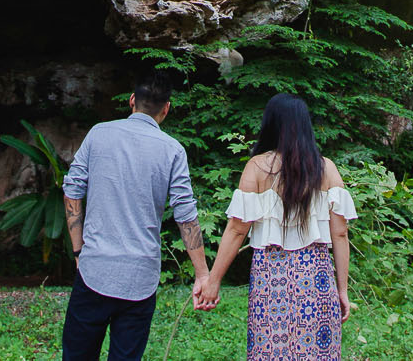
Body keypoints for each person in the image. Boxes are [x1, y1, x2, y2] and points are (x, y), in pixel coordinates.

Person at [60, 71, 210, 361]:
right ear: (166, 109)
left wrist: (79, 251)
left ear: (132, 101)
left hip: (94, 270)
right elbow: (186, 214)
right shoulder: (172, 150)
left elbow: (72, 191)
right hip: (140, 279)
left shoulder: (99, 133)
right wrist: (202, 274)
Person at [193, 94, 356, 360]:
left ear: (271, 124)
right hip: (317, 281)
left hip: (270, 281)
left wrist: (213, 282)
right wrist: (342, 290)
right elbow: (340, 233)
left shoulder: (257, 168)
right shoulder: (326, 169)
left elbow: (236, 230)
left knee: (269, 350)